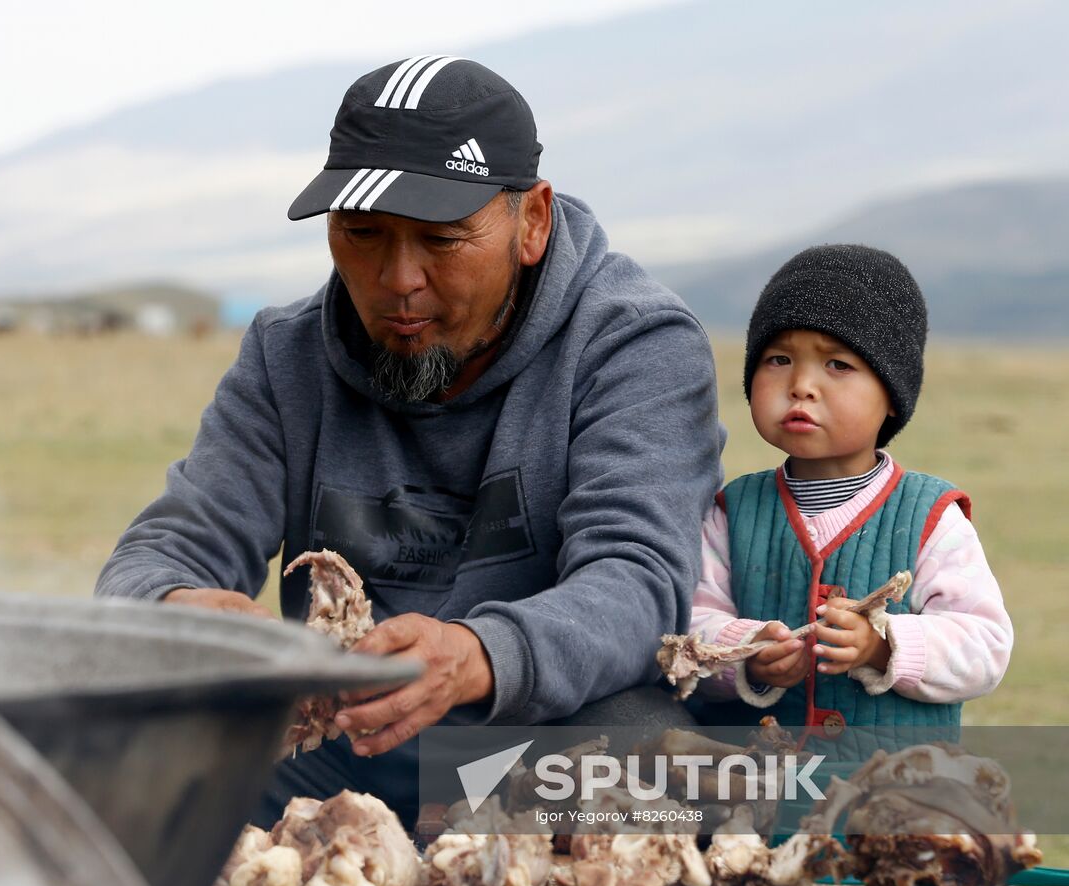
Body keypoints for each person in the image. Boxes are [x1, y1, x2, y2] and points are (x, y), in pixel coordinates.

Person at [96, 56, 725, 827]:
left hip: (540, 736)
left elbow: (637, 583)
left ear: (531, 221)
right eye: (363, 234)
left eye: (441, 239)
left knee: (658, 777)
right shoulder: (284, 354)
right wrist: (178, 606)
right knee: (104, 774)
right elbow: (158, 553)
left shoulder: (634, 345)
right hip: (339, 740)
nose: (398, 279)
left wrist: (477, 656)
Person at [688, 244, 1012, 740]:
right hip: (759, 794)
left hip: (897, 796)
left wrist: (884, 645)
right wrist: (746, 653)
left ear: (891, 396)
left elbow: (985, 646)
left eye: (837, 364)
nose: (801, 385)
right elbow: (689, 628)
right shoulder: (731, 512)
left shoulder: (931, 517)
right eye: (778, 359)